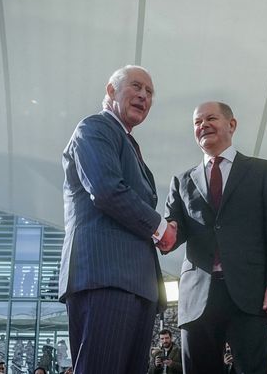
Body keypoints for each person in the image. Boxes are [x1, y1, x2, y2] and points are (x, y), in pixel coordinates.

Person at [58, 65, 177, 373]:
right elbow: (107, 190)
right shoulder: (94, 128)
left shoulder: (128, 144)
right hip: (106, 276)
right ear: (111, 91)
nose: (143, 96)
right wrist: (160, 228)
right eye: (136, 87)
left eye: (149, 92)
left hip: (136, 284)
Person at [165, 101, 267, 373]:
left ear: (231, 124)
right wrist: (152, 226)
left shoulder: (263, 171)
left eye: (210, 118)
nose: (203, 126)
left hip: (248, 294)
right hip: (198, 296)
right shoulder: (182, 180)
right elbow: (173, 232)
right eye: (197, 123)